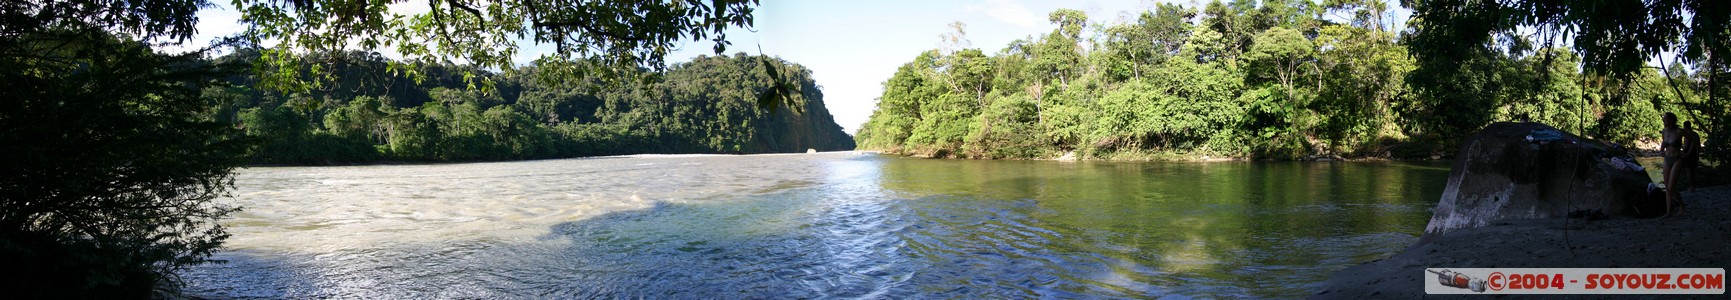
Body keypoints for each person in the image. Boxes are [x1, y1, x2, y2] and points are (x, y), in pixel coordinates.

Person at [1660, 113, 1683, 217]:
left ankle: (1682, 205)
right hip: (1667, 158)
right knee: (1667, 188)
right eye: (1663, 119)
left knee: (1671, 187)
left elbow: (1693, 140)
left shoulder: (1679, 131)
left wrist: (1687, 151)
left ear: (1671, 120)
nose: (1664, 121)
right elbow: (1664, 142)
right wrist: (1661, 150)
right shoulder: (1664, 131)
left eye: (1665, 119)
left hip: (1677, 159)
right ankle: (1668, 212)